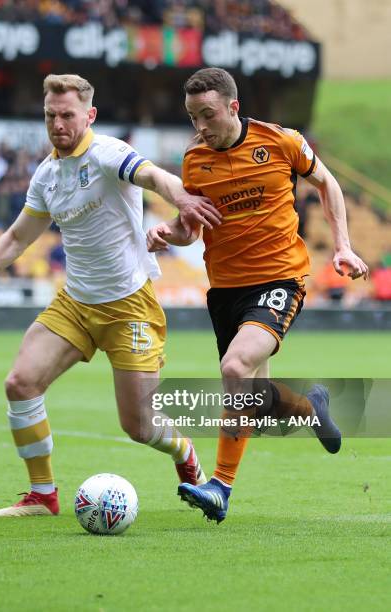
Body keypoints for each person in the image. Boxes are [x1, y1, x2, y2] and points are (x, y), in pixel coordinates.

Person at [0, 73, 222, 517]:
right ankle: (42, 494)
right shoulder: (46, 175)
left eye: (67, 115)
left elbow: (155, 177)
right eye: (50, 115)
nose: (58, 123)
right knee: (20, 383)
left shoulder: (108, 154)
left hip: (129, 306)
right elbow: (20, 237)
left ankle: (185, 454)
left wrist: (185, 201)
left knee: (138, 426)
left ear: (89, 115)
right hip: (75, 303)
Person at [146, 67, 369, 523]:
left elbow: (327, 183)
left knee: (234, 367)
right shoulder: (195, 162)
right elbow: (192, 228)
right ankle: (310, 407)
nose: (200, 127)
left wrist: (343, 244)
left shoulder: (281, 141)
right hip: (225, 288)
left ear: (233, 107)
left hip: (279, 279)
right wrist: (167, 231)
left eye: (207, 115)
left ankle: (221, 487)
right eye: (192, 118)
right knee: (255, 396)